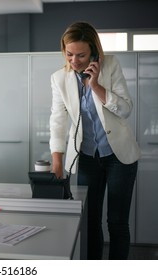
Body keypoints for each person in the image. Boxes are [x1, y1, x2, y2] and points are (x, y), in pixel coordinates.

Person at [49, 22, 140, 259]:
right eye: (69, 54)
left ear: (94, 52)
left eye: (81, 55)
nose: (75, 60)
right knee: (90, 221)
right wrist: (57, 159)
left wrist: (96, 85)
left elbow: (125, 109)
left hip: (119, 157)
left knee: (117, 222)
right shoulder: (59, 78)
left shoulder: (110, 65)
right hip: (87, 157)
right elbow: (57, 120)